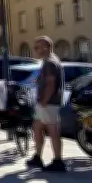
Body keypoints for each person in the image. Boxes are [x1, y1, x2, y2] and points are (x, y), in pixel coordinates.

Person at [27, 36, 66, 172]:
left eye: (37, 47)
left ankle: (58, 161)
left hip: (48, 103)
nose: (35, 50)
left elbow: (51, 83)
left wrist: (44, 100)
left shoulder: (50, 63)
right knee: (37, 127)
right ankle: (37, 157)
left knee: (53, 131)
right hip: (46, 103)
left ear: (46, 47)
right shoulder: (50, 61)